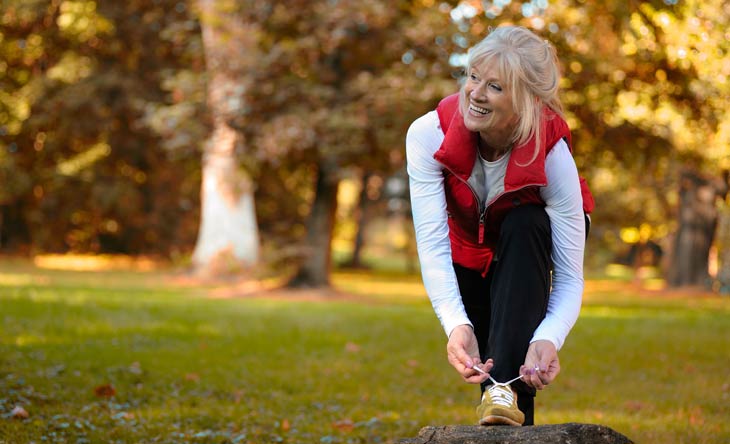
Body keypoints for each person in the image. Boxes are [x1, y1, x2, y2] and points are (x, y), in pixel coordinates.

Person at [405, 25, 593, 426]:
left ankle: (505, 399)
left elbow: (570, 278)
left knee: (525, 223)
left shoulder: (553, 156)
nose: (474, 92)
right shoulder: (427, 135)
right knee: (490, 348)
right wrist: (457, 325)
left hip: (532, 239)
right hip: (466, 244)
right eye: (473, 77)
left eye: (495, 87)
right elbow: (433, 245)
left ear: (527, 102)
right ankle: (501, 403)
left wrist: (548, 337)